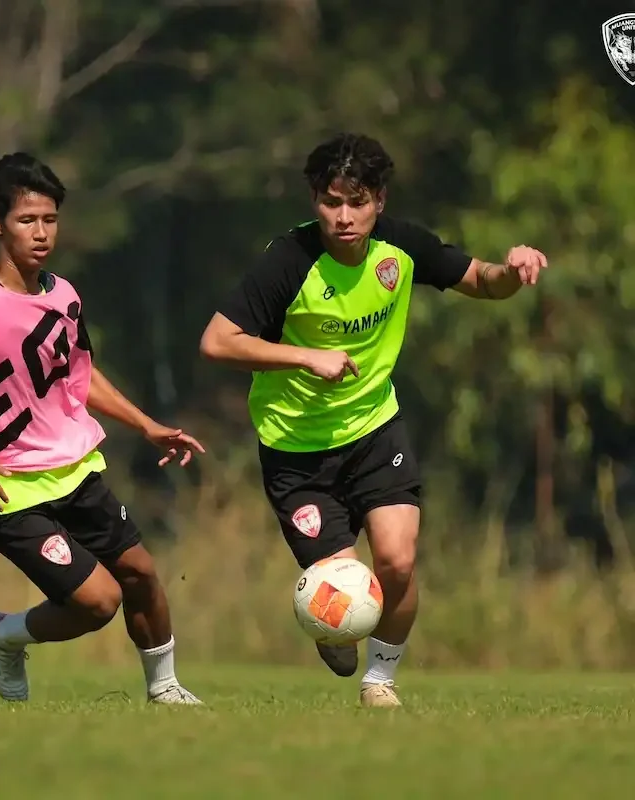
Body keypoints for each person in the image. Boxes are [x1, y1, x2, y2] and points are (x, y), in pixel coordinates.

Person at [199, 133, 547, 708]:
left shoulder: (401, 245)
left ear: (379, 200)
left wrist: (514, 269)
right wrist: (304, 356)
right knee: (343, 594)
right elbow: (217, 341)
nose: (344, 217)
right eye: (331, 202)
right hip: (296, 450)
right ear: (315, 200)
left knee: (397, 561)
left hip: (374, 431)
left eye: (357, 203)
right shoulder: (288, 261)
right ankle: (334, 628)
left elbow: (483, 281)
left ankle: (380, 681)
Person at [0, 152, 204, 705]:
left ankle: (166, 692)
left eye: (50, 220)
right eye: (27, 220)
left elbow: (78, 377)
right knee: (98, 602)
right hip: (5, 487)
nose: (41, 233)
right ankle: (3, 634)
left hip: (73, 468)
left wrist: (147, 425)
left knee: (140, 574)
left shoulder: (64, 296)